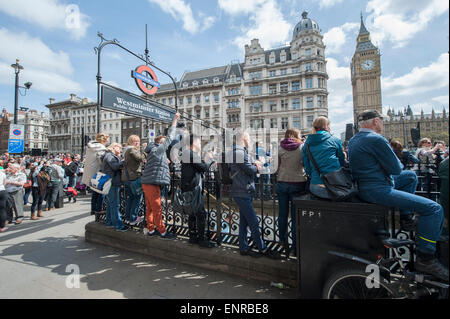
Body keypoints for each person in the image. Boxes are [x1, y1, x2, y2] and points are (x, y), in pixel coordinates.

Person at [348, 110, 447, 282]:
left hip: (364, 185)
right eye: (382, 122)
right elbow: (396, 168)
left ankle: (406, 217)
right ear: (376, 122)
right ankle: (426, 258)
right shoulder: (376, 139)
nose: (383, 124)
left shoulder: (354, 140)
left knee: (411, 177)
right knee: (434, 209)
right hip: (377, 189)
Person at [230, 129, 280, 259]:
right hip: (242, 191)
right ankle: (262, 248)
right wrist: (260, 164)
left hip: (241, 190)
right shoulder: (239, 152)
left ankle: (243, 247)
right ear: (244, 139)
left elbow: (247, 167)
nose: (250, 140)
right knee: (253, 222)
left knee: (244, 222)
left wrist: (255, 164)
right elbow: (250, 169)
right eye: (249, 138)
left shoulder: (238, 151)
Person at [141, 112, 181, 239]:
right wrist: (174, 121)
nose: (166, 144)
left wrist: (165, 161)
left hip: (148, 182)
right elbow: (169, 138)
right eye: (163, 142)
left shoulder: (154, 151)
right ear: (158, 142)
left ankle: (151, 229)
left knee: (150, 208)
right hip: (152, 183)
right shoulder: (157, 149)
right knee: (157, 208)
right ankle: (162, 231)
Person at [180, 134, 216, 248]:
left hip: (191, 187)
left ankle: (192, 237)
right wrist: (208, 160)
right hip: (192, 188)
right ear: (194, 142)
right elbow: (203, 167)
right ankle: (201, 239)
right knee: (201, 214)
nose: (200, 144)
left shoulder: (189, 154)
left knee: (192, 213)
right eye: (199, 142)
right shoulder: (190, 153)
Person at [276, 128, 307, 256]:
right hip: (298, 183)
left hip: (282, 182)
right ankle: (295, 246)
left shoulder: (280, 148)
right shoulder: (302, 147)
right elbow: (306, 164)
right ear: (295, 135)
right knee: (295, 218)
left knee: (282, 214)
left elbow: (276, 166)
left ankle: (282, 241)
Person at [302, 116, 346, 200]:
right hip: (335, 185)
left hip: (315, 186)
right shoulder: (335, 140)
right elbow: (341, 162)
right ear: (326, 126)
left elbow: (306, 166)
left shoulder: (307, 143)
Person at [82, 133, 110, 215]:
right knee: (100, 192)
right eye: (107, 141)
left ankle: (93, 209)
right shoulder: (101, 148)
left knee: (94, 192)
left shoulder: (92, 147)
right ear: (103, 140)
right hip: (99, 173)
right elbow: (102, 161)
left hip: (91, 173)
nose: (107, 142)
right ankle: (98, 209)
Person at [121, 135, 145, 226]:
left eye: (138, 141)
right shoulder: (132, 150)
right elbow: (141, 158)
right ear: (130, 142)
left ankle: (128, 218)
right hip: (134, 177)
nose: (137, 143)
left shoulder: (126, 150)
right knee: (137, 198)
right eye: (134, 141)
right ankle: (133, 218)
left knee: (130, 198)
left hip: (127, 178)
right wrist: (145, 151)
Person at [102, 143, 127, 231]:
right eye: (119, 147)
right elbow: (115, 166)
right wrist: (124, 160)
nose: (121, 149)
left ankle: (109, 222)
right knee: (115, 204)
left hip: (112, 182)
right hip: (113, 182)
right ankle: (118, 225)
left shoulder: (109, 155)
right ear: (114, 147)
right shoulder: (109, 155)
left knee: (110, 204)